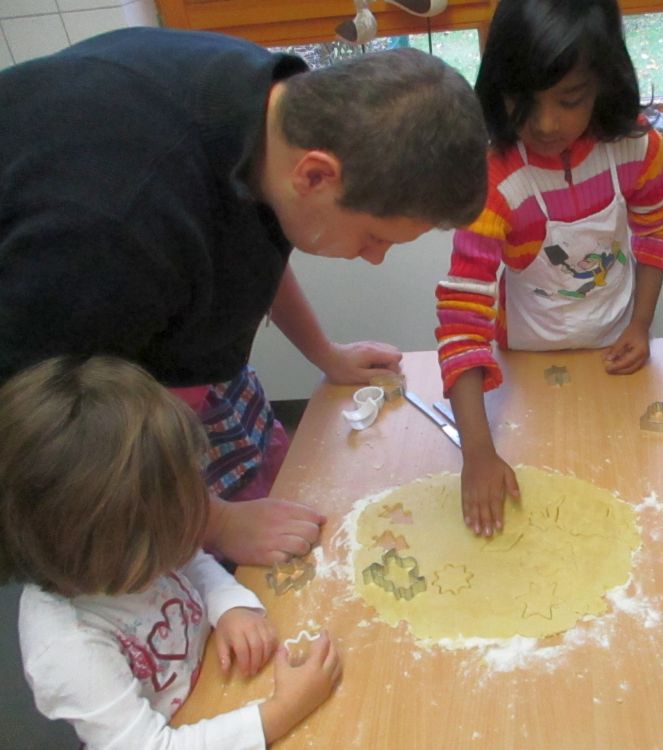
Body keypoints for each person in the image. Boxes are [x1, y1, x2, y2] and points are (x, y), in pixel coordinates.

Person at [0, 27, 488, 566]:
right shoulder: (114, 230)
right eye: (375, 237)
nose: (374, 257)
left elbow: (254, 238)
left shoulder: (275, 111)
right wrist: (215, 522)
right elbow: (56, 433)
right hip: (55, 412)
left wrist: (325, 352)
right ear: (317, 175)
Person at [0, 356, 342, 748]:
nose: (189, 531)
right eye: (169, 529)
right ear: (94, 543)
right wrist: (284, 709)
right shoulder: (68, 649)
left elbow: (190, 559)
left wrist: (229, 606)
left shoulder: (131, 548)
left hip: (215, 686)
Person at [434, 0, 663, 536]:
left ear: (604, 83)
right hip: (525, 362)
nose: (545, 123)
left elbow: (656, 231)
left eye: (570, 100)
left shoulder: (637, 150)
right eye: (524, 99)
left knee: (623, 490)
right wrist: (477, 452)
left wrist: (641, 325)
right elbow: (463, 319)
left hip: (613, 352)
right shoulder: (495, 179)